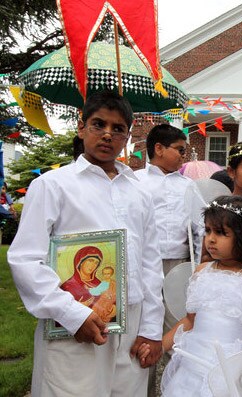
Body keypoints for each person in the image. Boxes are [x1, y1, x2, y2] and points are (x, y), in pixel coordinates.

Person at [8, 90, 164, 396]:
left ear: (128, 137)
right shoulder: (53, 185)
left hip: (131, 326)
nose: (107, 134)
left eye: (117, 128)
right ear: (82, 128)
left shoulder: (140, 193)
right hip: (74, 322)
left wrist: (151, 329)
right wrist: (71, 314)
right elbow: (25, 259)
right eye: (98, 124)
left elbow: (150, 263)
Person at [156, 195, 242, 396]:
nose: (211, 239)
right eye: (207, 230)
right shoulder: (201, 271)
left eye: (221, 232)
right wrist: (160, 346)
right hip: (194, 368)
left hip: (237, 373)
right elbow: (190, 320)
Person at [135, 124, 201, 329]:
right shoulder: (135, 181)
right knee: (142, 317)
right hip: (142, 262)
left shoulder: (189, 185)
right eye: (180, 150)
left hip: (178, 263)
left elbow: (200, 227)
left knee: (176, 319)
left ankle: (172, 359)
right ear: (159, 149)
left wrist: (198, 266)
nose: (184, 156)